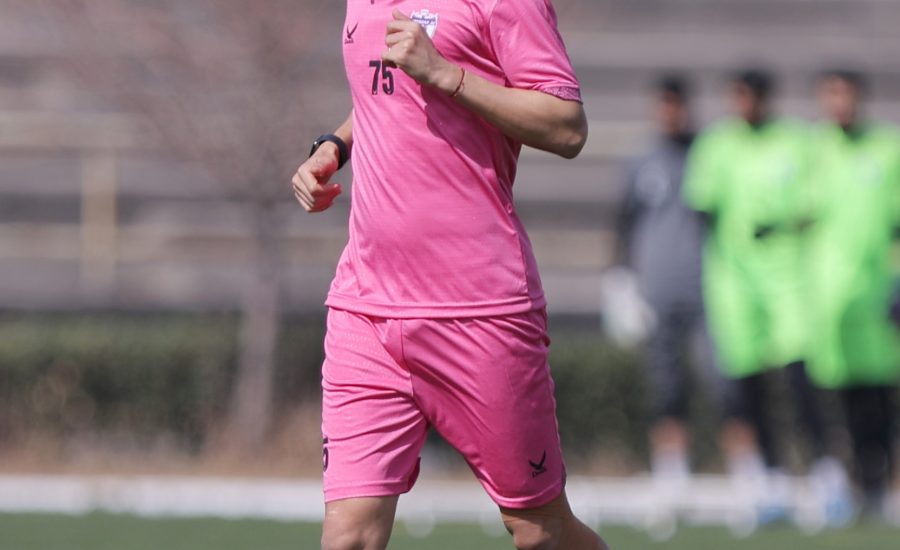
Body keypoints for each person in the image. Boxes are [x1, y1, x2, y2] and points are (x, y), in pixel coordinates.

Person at [291, 2, 607, 549]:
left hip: (479, 309)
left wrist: (447, 75)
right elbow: (387, 84)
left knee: (539, 532)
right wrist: (337, 146)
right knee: (348, 538)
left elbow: (567, 127)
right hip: (365, 307)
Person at [683, 68, 851, 524]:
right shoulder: (716, 145)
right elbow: (701, 208)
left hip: (789, 282)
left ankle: (826, 474)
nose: (745, 104)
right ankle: (772, 478)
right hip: (736, 285)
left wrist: (781, 227)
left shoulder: (796, 141)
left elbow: (816, 206)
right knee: (748, 387)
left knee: (800, 381)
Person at [617, 74, 724, 483]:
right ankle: (671, 467)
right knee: (665, 382)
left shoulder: (708, 156)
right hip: (658, 290)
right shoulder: (640, 162)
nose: (670, 113)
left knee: (721, 380)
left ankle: (745, 467)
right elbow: (623, 223)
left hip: (706, 287)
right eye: (664, 104)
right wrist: (621, 283)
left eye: (676, 104)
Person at [807, 68, 900, 517]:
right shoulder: (813, 153)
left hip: (878, 295)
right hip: (829, 302)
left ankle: (885, 483)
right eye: (832, 94)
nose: (840, 103)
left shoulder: (887, 149)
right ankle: (855, 484)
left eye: (846, 94)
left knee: (882, 394)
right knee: (840, 398)